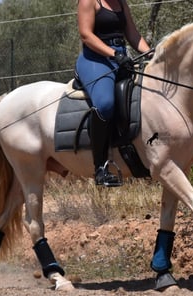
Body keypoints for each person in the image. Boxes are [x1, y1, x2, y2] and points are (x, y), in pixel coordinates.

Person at [75, 0, 152, 186]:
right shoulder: (89, 1)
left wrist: (152, 54)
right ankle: (100, 168)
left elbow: (133, 35)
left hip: (120, 57)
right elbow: (86, 35)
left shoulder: (121, 3)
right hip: (94, 58)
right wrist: (113, 54)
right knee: (105, 104)